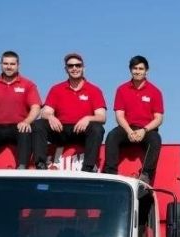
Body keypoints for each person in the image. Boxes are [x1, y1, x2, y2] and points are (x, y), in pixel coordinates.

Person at [32, 53, 106, 171]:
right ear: (66, 69)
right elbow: (45, 112)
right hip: (60, 131)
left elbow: (102, 117)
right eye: (70, 66)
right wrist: (51, 117)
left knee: (97, 128)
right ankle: (40, 164)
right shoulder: (56, 89)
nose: (74, 68)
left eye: (78, 65)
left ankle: (88, 167)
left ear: (83, 68)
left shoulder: (94, 90)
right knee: (38, 124)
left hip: (82, 133)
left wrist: (87, 118)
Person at [103, 55, 164, 184]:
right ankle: (110, 173)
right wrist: (129, 131)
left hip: (146, 130)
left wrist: (144, 130)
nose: (137, 71)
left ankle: (146, 174)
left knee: (156, 139)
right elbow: (119, 115)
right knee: (112, 136)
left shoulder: (155, 91)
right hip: (127, 128)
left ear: (146, 71)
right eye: (135, 68)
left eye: (141, 69)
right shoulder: (122, 89)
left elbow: (159, 118)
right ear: (130, 70)